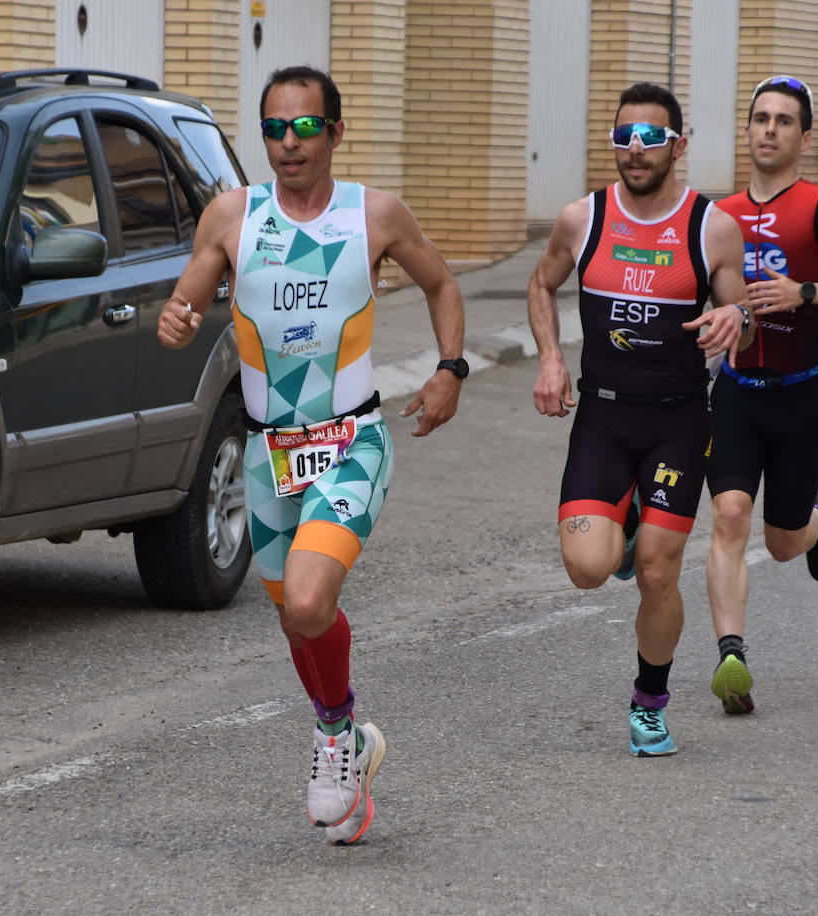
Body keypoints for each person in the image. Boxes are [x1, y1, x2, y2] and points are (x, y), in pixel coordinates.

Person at [157, 66, 467, 844]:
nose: (287, 144)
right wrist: (181, 314)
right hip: (268, 454)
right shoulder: (233, 215)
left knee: (305, 600)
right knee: (301, 621)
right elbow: (195, 285)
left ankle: (334, 741)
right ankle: (352, 739)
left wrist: (450, 369)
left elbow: (441, 283)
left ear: (335, 130)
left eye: (304, 127)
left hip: (350, 440)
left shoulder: (375, 214)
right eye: (273, 128)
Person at [528, 82, 751, 757]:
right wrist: (550, 360)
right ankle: (620, 527)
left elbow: (736, 312)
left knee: (658, 571)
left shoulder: (710, 227)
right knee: (587, 569)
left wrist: (732, 316)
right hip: (602, 416)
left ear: (678, 146)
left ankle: (650, 701)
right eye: (623, 136)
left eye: (650, 137)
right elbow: (541, 284)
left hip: (679, 421)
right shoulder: (581, 218)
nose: (635, 149)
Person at [704, 75, 818, 715]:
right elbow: (698, 296)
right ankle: (732, 656)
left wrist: (806, 292)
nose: (769, 129)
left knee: (784, 543)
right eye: (760, 118)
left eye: (784, 121)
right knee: (729, 516)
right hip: (735, 393)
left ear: (803, 137)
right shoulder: (717, 215)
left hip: (801, 397)